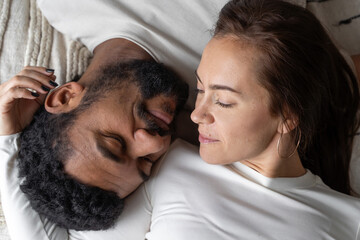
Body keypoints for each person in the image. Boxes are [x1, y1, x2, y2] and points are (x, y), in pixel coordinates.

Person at [1, 0, 360, 239]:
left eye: (114, 142)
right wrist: (4, 139)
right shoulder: (194, 150)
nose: (156, 143)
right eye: (145, 163)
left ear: (64, 96)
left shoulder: (68, 5)